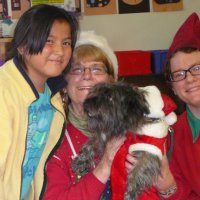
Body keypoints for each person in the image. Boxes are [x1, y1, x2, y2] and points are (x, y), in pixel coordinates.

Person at [0, 4, 78, 200]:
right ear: (23, 46)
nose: (60, 51)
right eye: (49, 41)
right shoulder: (4, 90)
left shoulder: (51, 95)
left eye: (66, 43)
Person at [42, 30, 130, 200]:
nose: (87, 76)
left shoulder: (132, 125)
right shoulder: (52, 138)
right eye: (77, 69)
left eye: (97, 69)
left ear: (111, 81)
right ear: (64, 85)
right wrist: (105, 165)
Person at [158, 12, 200, 199]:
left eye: (197, 68)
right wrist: (168, 187)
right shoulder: (171, 135)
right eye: (180, 74)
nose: (190, 79)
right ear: (173, 88)